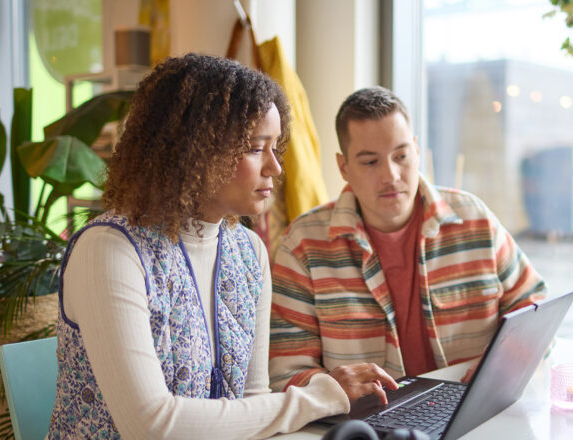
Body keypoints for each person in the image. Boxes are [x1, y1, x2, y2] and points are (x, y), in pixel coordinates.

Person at [47, 54, 377, 439]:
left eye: (276, 147)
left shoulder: (248, 252)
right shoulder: (110, 251)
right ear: (195, 151)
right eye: (256, 148)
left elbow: (253, 402)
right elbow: (150, 426)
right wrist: (317, 398)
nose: (275, 167)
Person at [269, 87, 546, 401]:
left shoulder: (475, 220)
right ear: (344, 168)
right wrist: (333, 388)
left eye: (401, 156)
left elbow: (534, 306)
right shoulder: (303, 245)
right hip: (369, 425)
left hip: (472, 411)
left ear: (415, 150)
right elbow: (286, 371)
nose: (391, 175)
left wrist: (503, 359)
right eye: (371, 162)